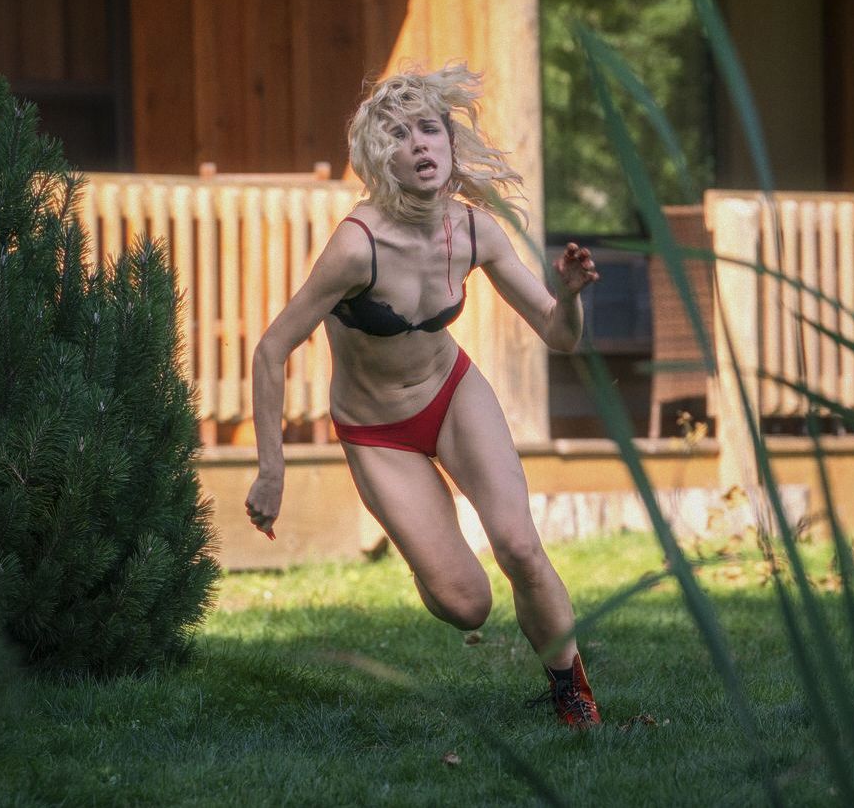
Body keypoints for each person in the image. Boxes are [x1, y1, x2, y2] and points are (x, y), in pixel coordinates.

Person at [243, 64, 603, 728]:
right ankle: (426, 550)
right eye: (401, 136)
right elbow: (271, 349)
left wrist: (572, 298)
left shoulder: (475, 231)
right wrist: (271, 469)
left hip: (452, 395)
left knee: (520, 546)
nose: (420, 145)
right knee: (467, 605)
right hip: (377, 430)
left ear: (449, 142)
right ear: (383, 158)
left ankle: (570, 688)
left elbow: (559, 335)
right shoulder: (357, 247)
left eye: (430, 130)